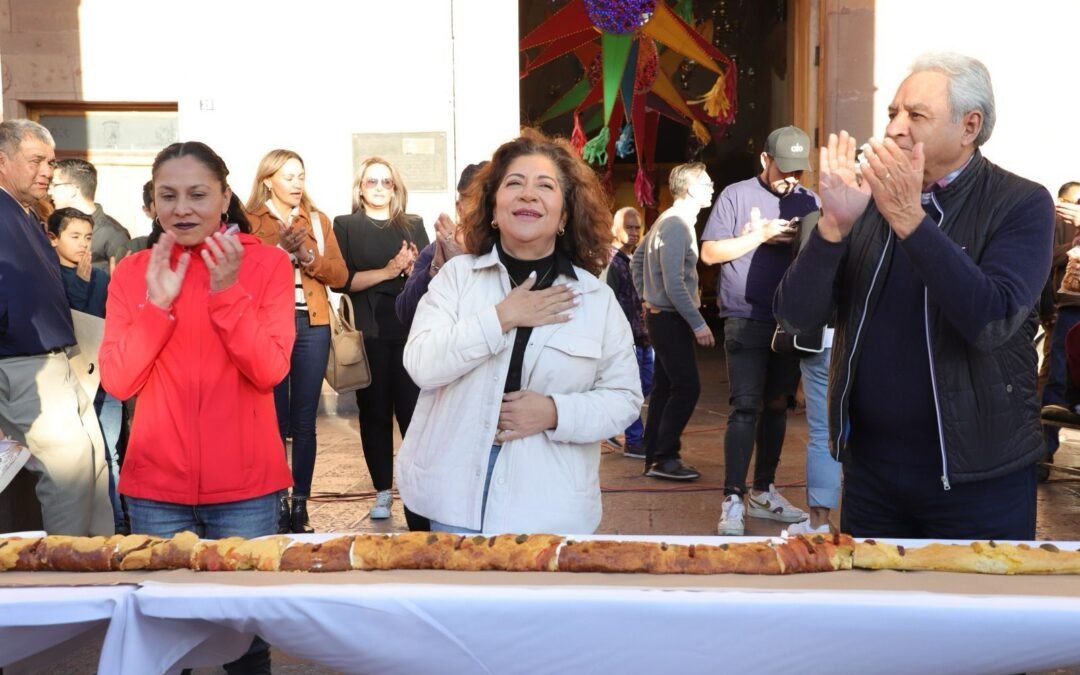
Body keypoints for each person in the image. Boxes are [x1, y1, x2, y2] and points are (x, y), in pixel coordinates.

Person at [774, 53, 1054, 540]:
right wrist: (833, 228)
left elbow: (992, 320)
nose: (895, 129)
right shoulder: (866, 203)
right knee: (874, 593)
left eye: (916, 115)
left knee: (973, 594)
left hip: (978, 479)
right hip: (872, 476)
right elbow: (796, 317)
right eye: (893, 113)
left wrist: (909, 218)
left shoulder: (1021, 202)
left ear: (969, 126)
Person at [395, 129, 642, 534]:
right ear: (493, 208)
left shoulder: (595, 299)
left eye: (545, 186)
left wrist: (554, 412)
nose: (528, 194)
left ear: (565, 215)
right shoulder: (457, 278)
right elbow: (422, 364)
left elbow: (624, 398)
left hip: (550, 503)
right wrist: (501, 317)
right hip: (456, 498)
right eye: (514, 183)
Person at [699, 125, 817, 535]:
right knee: (746, 405)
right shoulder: (736, 195)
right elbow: (709, 253)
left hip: (789, 319)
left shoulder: (809, 201)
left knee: (778, 404)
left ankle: (764, 490)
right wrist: (759, 236)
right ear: (765, 160)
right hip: (745, 314)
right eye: (784, 168)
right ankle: (732, 497)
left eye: (798, 171)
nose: (791, 178)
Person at [0, 119, 112, 535]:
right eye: (36, 161)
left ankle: (97, 558)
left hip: (59, 358)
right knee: (69, 474)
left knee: (93, 465)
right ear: (2, 161)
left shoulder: (29, 214)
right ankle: (68, 565)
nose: (47, 171)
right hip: (21, 364)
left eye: (50, 162)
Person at [246, 149, 347, 534]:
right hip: (269, 326)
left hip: (312, 324)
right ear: (268, 180)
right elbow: (244, 272)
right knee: (273, 419)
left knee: (305, 421)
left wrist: (307, 255)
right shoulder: (250, 221)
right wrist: (279, 252)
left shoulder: (317, 220)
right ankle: (275, 501)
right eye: (288, 177)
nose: (297, 183)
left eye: (301, 176)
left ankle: (300, 503)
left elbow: (340, 275)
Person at [332, 157, 428, 520]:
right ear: (360, 187)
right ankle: (383, 492)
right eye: (371, 181)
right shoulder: (345, 226)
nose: (378, 187)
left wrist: (415, 269)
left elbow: (430, 277)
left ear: (395, 188)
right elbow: (341, 280)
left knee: (413, 414)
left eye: (386, 182)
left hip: (407, 331)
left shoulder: (413, 224)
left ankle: (418, 493)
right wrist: (389, 271)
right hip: (368, 333)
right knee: (374, 414)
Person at [631, 162, 716, 481]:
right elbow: (674, 283)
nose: (711, 188)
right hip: (671, 318)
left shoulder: (667, 220)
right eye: (706, 183)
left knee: (666, 388)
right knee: (686, 387)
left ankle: (655, 454)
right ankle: (665, 456)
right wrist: (698, 323)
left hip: (663, 316)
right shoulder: (677, 224)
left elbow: (637, 260)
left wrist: (646, 296)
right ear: (690, 189)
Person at [395, 161, 487, 327]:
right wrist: (435, 269)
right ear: (459, 208)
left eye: (490, 201)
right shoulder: (436, 250)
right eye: (476, 201)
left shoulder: (517, 249)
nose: (484, 211)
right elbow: (405, 312)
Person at [1038, 182, 1080, 460]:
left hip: (1067, 306)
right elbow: (1044, 260)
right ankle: (1043, 452)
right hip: (1068, 305)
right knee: (1055, 376)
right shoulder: (1053, 221)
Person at [606, 206, 652, 459]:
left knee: (646, 383)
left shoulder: (633, 258)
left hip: (642, 334)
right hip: (625, 338)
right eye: (628, 227)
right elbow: (609, 301)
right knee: (633, 388)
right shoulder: (610, 260)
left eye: (637, 227)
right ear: (616, 229)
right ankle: (634, 440)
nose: (634, 232)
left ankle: (613, 419)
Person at [48, 158, 130, 272]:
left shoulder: (113, 234)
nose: (49, 192)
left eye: (54, 185)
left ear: (73, 189)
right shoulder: (54, 224)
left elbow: (124, 277)